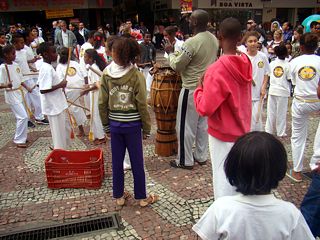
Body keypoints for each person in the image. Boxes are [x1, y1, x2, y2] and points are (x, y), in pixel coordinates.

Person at [192, 131, 314, 240]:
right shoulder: (290, 214)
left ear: (232, 169)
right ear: (280, 170)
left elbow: (202, 235)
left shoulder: (221, 208)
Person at [194, 17, 252, 199]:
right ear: (241, 37)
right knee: (239, 175)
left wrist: (199, 88)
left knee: (223, 177)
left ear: (219, 36)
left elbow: (204, 108)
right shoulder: (246, 61)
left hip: (222, 134)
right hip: (243, 130)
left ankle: (225, 219)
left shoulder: (216, 69)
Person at [98, 36, 158, 207]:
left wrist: (106, 126)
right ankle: (141, 197)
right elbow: (142, 104)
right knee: (137, 162)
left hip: (115, 125)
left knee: (117, 161)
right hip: (133, 126)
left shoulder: (106, 74)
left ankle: (118, 196)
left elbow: (102, 103)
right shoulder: (136, 75)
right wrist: (146, 129)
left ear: (113, 54)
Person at [164, 9, 219, 169]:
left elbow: (177, 65)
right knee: (202, 125)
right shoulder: (213, 39)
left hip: (191, 89)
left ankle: (185, 160)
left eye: (190, 20)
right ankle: (201, 156)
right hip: (207, 87)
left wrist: (170, 52)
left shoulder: (192, 42)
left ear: (195, 22)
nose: (188, 22)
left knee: (185, 126)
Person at [287, 33, 320, 182]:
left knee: (298, 136)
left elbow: (293, 81)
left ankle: (297, 171)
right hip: (317, 99)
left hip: (301, 100)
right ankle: (316, 164)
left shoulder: (294, 62)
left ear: (301, 47)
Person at [37, 42, 70, 149]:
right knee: (58, 134)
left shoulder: (48, 67)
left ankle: (62, 150)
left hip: (57, 104)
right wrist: (60, 85)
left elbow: (40, 84)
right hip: (53, 107)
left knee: (63, 131)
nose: (56, 54)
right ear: (46, 54)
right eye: (54, 52)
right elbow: (43, 89)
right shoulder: (46, 68)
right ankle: (59, 153)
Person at [12, 33, 47, 126]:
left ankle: (39, 117)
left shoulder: (23, 51)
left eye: (23, 42)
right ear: (15, 44)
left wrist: (32, 62)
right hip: (21, 81)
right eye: (21, 43)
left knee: (37, 96)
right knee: (25, 100)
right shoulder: (13, 54)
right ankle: (26, 120)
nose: (23, 45)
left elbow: (25, 62)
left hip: (29, 77)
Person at [0, 45, 28, 148]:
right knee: (22, 116)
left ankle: (23, 136)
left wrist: (28, 88)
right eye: (12, 54)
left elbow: (20, 79)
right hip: (11, 94)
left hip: (19, 93)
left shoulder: (16, 65)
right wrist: (6, 85)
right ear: (6, 55)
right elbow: (1, 83)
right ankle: (19, 139)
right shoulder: (3, 67)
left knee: (24, 116)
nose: (14, 55)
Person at [243, 31, 270, 131]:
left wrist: (264, 87)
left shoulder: (262, 56)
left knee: (256, 119)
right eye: (250, 41)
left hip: (258, 93)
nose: (253, 43)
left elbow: (266, 73)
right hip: (245, 94)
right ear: (246, 43)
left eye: (255, 41)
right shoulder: (242, 57)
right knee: (246, 119)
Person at [56, 47, 86, 137]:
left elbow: (60, 81)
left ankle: (81, 130)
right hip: (80, 87)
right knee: (75, 108)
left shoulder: (61, 66)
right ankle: (72, 129)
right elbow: (83, 75)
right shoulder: (73, 63)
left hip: (71, 89)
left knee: (75, 109)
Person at [81, 49, 106, 145]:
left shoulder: (94, 68)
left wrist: (86, 90)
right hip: (94, 94)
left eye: (85, 57)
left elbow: (98, 84)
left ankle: (101, 136)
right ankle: (98, 135)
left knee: (96, 115)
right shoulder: (92, 67)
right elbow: (93, 83)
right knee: (95, 115)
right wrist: (87, 86)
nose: (84, 59)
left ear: (91, 58)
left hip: (97, 95)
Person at [265, 44, 291, 137]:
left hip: (272, 90)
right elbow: (289, 78)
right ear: (286, 53)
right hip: (283, 91)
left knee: (270, 112)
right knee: (281, 112)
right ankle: (280, 132)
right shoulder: (288, 65)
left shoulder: (272, 64)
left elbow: (268, 76)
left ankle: (268, 130)